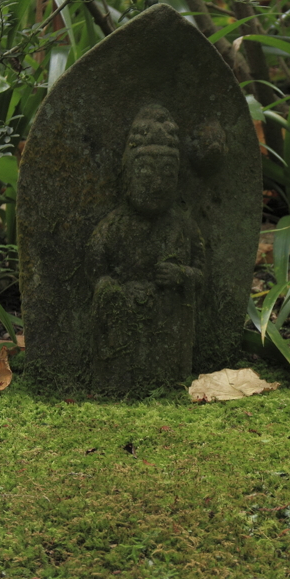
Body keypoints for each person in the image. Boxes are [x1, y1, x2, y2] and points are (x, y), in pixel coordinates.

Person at [87, 104, 204, 393]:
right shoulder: (111, 227)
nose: (157, 183)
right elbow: (94, 275)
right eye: (145, 171)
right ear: (127, 174)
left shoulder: (184, 228)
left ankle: (170, 385)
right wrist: (113, 293)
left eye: (167, 172)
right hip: (122, 330)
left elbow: (202, 276)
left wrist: (181, 275)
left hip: (168, 333)